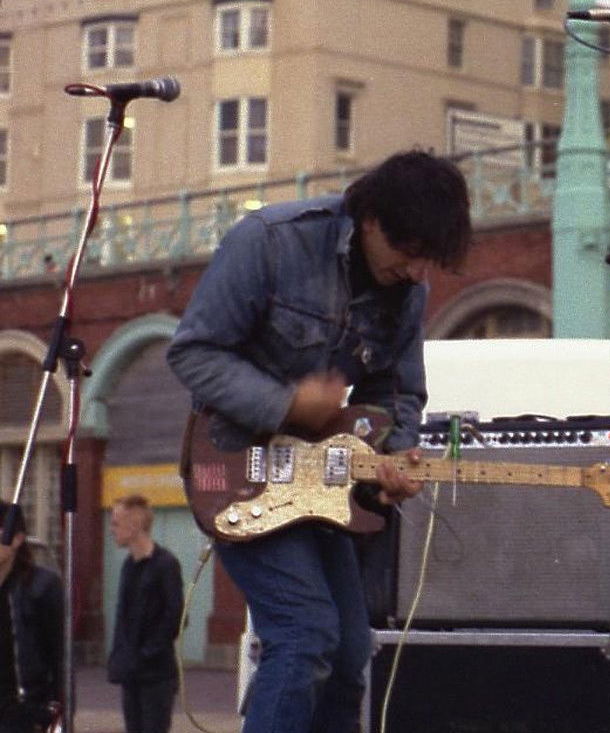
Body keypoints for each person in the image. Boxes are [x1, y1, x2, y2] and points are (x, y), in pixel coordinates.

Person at [168, 149, 472, 733]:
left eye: (428, 261)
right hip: (236, 469)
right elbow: (192, 352)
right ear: (371, 220)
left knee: (351, 651)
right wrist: (286, 404)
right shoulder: (269, 241)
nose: (416, 273)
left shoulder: (407, 290)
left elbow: (399, 391)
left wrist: (395, 453)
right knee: (305, 634)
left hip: (322, 485)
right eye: (409, 254)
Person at [108, 494, 184, 733]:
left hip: (156, 674)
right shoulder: (129, 566)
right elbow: (124, 618)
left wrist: (148, 652)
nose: (112, 530)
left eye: (116, 523)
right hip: (132, 673)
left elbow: (175, 616)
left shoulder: (165, 564)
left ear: (134, 525)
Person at [0, 504, 61, 733]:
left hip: (23, 711)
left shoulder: (41, 586)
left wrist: (56, 715)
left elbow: (59, 657)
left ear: (16, 539)